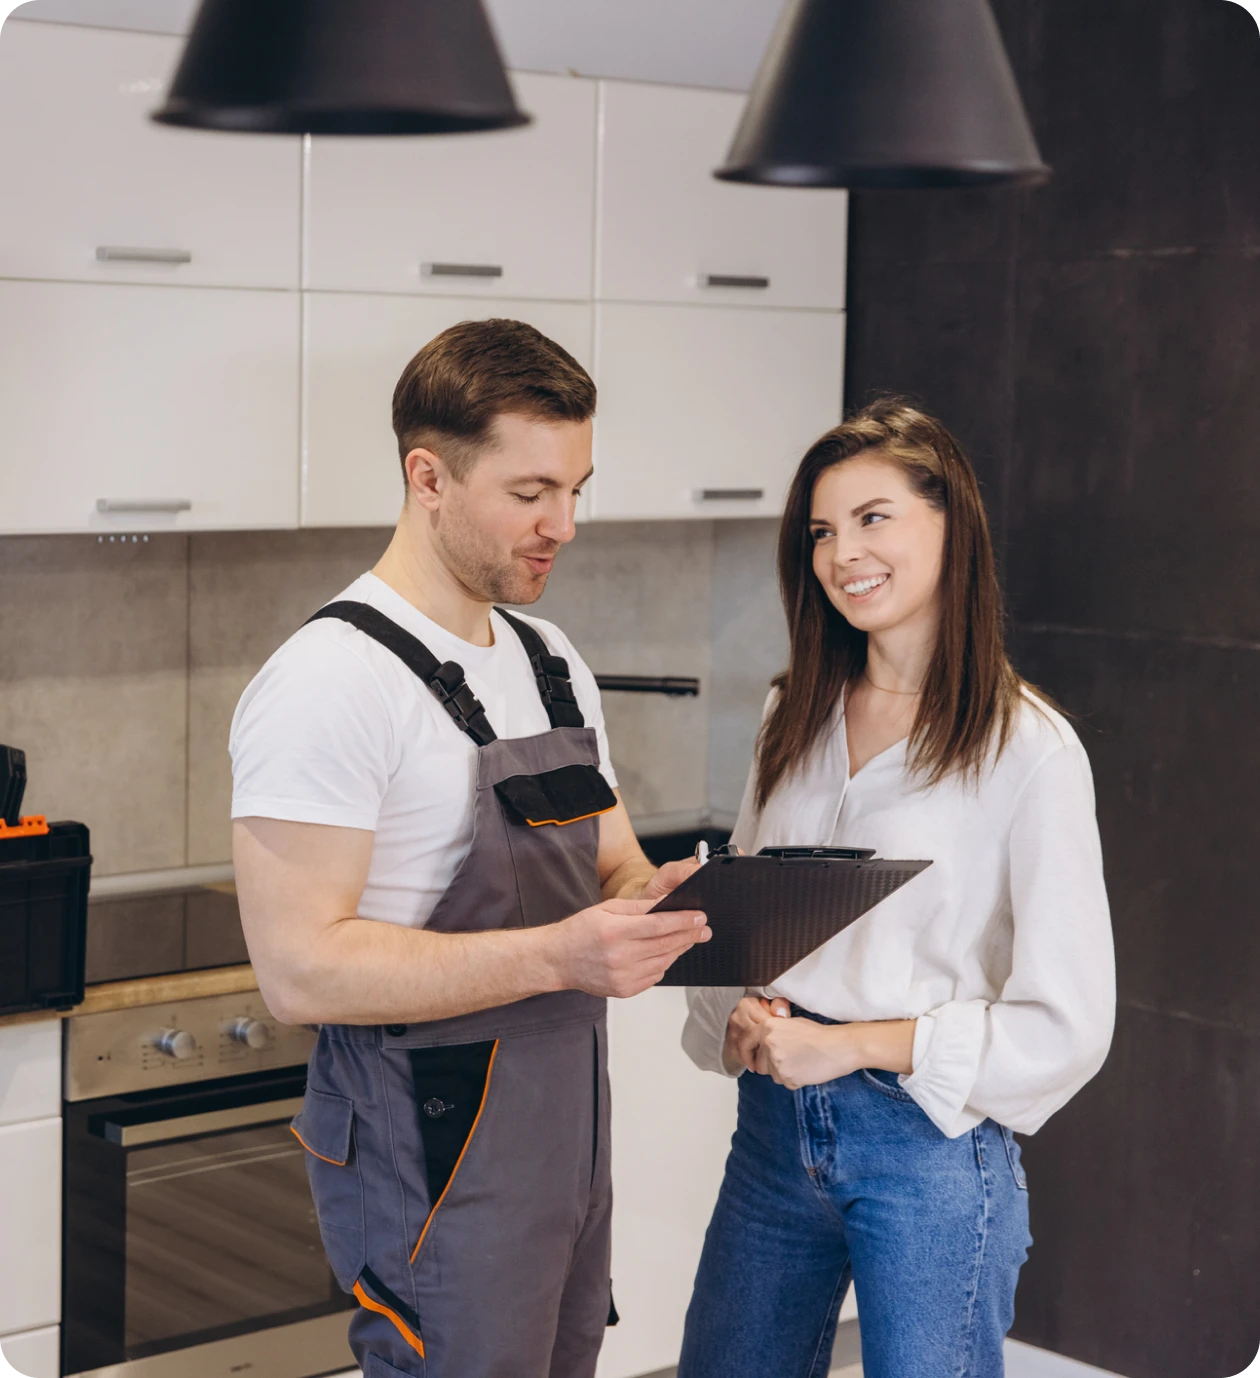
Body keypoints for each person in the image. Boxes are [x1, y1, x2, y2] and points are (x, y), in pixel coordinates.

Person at [230, 318, 708, 1378]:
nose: (565, 525)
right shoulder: (329, 682)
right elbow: (298, 970)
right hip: (430, 1148)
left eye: (577, 488)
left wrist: (653, 896)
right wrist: (561, 955)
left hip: (563, 1145)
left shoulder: (548, 658)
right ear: (428, 475)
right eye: (531, 493)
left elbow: (609, 854)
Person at [679, 398, 1115, 1378]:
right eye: (824, 530)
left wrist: (849, 1045)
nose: (843, 553)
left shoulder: (1028, 751)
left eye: (874, 517)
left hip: (927, 1148)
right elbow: (754, 916)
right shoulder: (792, 712)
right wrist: (741, 1013)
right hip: (773, 1136)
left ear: (950, 523)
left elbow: (1068, 1021)